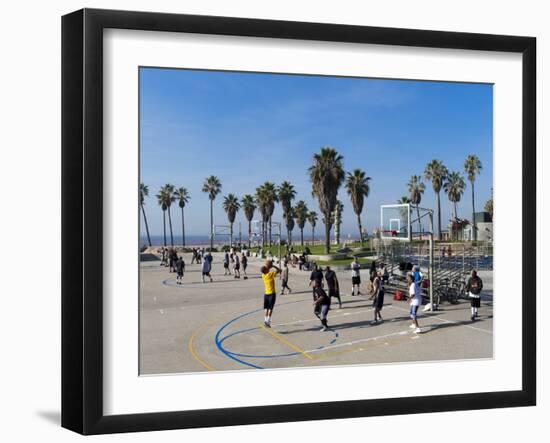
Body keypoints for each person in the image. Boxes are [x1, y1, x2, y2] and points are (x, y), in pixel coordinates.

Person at [261, 260, 281, 328]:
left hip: (266, 294)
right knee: (270, 308)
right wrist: (272, 266)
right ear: (266, 270)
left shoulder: (263, 275)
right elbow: (279, 270)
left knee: (266, 308)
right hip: (272, 294)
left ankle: (265, 321)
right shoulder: (270, 274)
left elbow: (265, 270)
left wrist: (268, 267)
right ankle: (268, 321)